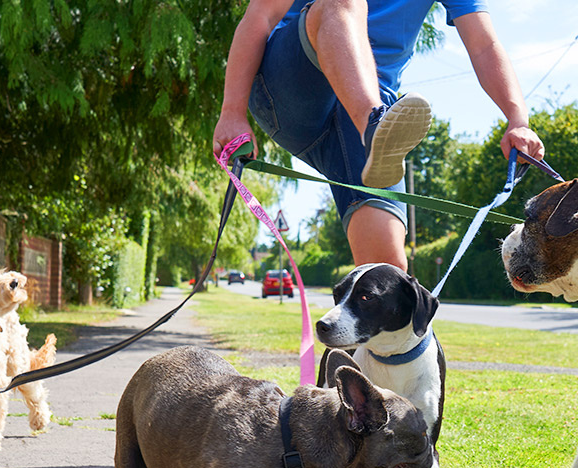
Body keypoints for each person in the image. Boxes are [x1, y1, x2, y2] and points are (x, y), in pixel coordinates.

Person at [213, 0, 545, 270]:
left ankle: (357, 351)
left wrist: (518, 118)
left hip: (365, 112)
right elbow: (260, 16)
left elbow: (484, 45)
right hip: (292, 86)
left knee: (385, 275)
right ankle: (373, 126)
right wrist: (231, 112)